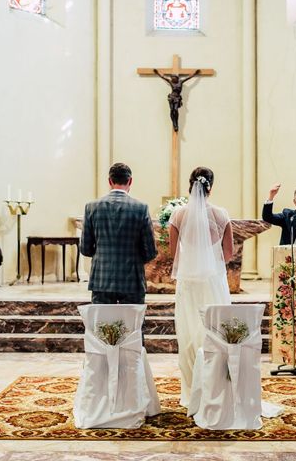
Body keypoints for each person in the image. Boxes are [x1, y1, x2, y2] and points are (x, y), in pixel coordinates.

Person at [168, 167, 233, 407]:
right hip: (214, 281)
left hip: (189, 283)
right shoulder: (221, 214)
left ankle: (190, 393)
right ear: (210, 187)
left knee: (189, 332)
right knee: (216, 330)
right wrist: (210, 260)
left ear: (190, 185)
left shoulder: (178, 215)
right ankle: (216, 388)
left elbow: (173, 254)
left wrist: (193, 260)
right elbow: (228, 253)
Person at [80, 163, 158, 305]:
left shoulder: (91, 207)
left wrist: (103, 255)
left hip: (101, 278)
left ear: (109, 181)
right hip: (132, 280)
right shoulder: (141, 208)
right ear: (130, 181)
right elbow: (150, 251)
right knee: (131, 325)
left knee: (103, 325)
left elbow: (85, 248)